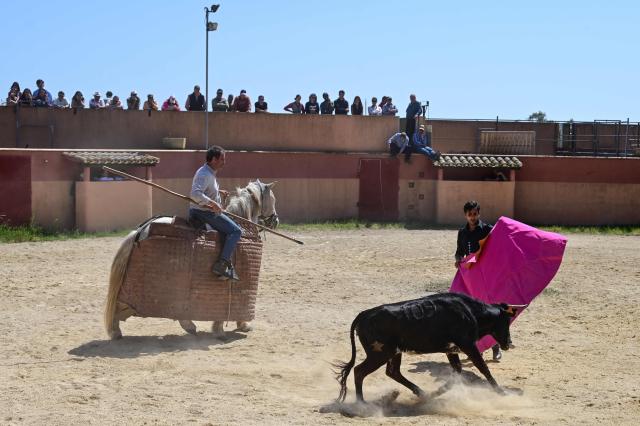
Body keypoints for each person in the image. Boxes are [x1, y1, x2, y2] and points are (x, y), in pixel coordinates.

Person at [454, 200, 501, 361]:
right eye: (469, 214)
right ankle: (478, 348)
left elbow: (499, 246)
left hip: (486, 276)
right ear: (465, 215)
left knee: (488, 311)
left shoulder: (488, 229)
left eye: (475, 214)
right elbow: (459, 252)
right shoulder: (462, 232)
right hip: (469, 277)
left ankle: (495, 346)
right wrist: (458, 260)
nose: (473, 217)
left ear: (478, 214)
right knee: (473, 313)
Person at [189, 146, 242, 281]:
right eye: (222, 159)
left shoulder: (209, 172)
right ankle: (222, 264)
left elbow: (206, 191)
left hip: (205, 210)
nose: (224, 162)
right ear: (213, 159)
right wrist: (213, 203)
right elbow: (195, 194)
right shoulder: (204, 174)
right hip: (202, 212)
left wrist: (219, 192)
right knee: (236, 231)